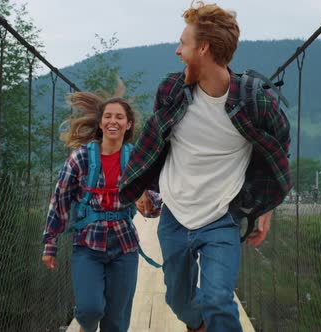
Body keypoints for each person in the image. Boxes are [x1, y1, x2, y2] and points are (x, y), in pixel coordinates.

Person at [124, 2, 292, 331]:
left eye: (183, 44)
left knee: (217, 298)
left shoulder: (256, 100)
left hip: (221, 217)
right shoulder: (171, 90)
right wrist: (141, 186)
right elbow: (154, 144)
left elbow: (279, 149)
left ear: (203, 49)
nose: (177, 51)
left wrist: (266, 206)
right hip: (175, 215)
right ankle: (197, 323)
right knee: (178, 301)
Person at [41, 84, 161, 332]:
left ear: (129, 125)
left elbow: (153, 209)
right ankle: (86, 326)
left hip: (124, 246)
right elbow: (60, 198)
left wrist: (148, 199)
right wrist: (50, 243)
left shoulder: (137, 158)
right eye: (107, 116)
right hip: (87, 245)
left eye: (119, 117)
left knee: (116, 323)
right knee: (89, 309)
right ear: (100, 123)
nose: (112, 121)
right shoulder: (81, 157)